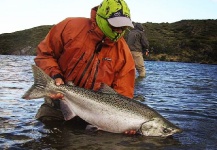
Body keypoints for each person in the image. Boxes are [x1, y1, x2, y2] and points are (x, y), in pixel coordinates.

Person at [34, 0, 136, 134]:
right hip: (57, 101)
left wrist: (124, 122)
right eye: (115, 25)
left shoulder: (124, 53)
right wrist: (55, 75)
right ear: (101, 18)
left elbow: (123, 94)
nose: (119, 30)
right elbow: (45, 54)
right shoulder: (70, 26)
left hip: (97, 115)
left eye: (123, 27)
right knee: (45, 134)